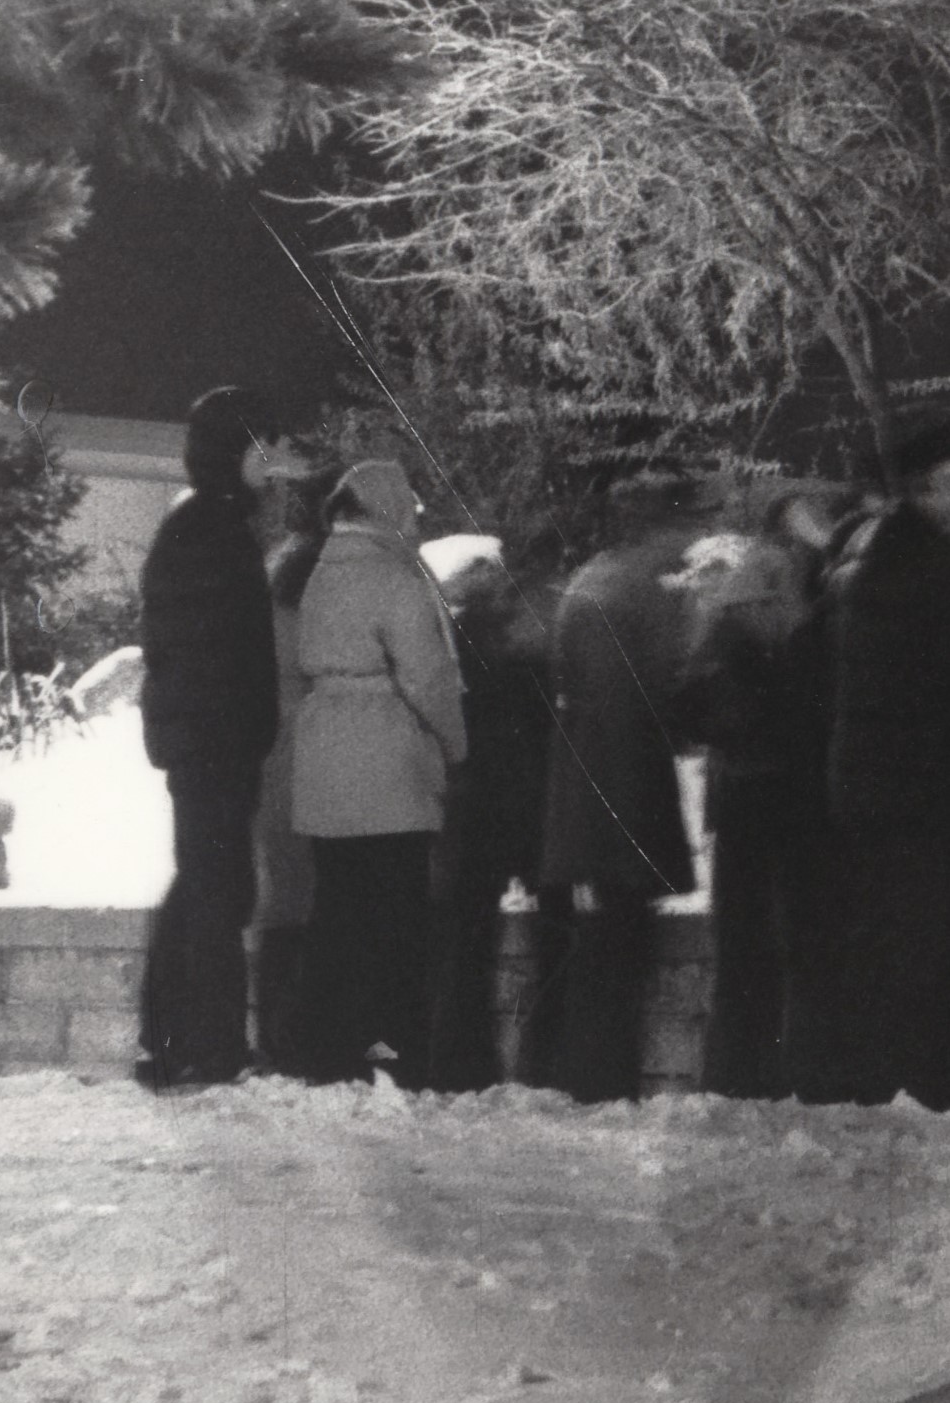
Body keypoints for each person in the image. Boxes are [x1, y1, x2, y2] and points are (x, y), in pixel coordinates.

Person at [292, 458, 468, 1084]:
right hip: (389, 764)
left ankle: (326, 1052)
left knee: (337, 911)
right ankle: (398, 1054)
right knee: (397, 919)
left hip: (323, 759)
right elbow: (428, 677)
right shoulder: (397, 579)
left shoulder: (319, 575)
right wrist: (455, 746)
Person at [670, 491, 850, 1101]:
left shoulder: (726, 606)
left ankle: (733, 1076)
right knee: (798, 941)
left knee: (741, 944)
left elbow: (690, 705)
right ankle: (797, 1077)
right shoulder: (801, 597)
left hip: (737, 792)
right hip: (791, 794)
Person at [540, 475, 705, 1103]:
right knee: (615, 946)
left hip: (593, 798)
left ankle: (589, 1079)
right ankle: (599, 1085)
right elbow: (666, 693)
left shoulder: (598, 579)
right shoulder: (641, 589)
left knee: (605, 942)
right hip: (620, 798)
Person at [136, 388, 278, 1088]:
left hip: (203, 738)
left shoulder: (201, 527)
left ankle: (174, 1036)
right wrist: (244, 729)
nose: (270, 461)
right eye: (260, 447)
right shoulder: (213, 532)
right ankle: (206, 1042)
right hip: (213, 740)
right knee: (215, 889)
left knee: (204, 883)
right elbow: (222, 650)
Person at [824, 425, 950, 1108]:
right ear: (933, 484)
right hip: (910, 793)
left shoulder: (905, 554)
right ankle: (917, 1084)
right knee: (918, 939)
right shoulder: (918, 568)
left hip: (898, 788)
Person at [425, 534, 571, 1092]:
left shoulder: (459, 634)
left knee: (464, 947)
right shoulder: (544, 632)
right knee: (555, 939)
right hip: (535, 804)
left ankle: (460, 1070)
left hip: (472, 807)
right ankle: (546, 1066)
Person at [251, 479, 337, 1078]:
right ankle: (302, 1042)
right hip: (314, 746)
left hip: (272, 749)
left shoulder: (276, 568)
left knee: (283, 898)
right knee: (313, 900)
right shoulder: (322, 574)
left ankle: (277, 1038)